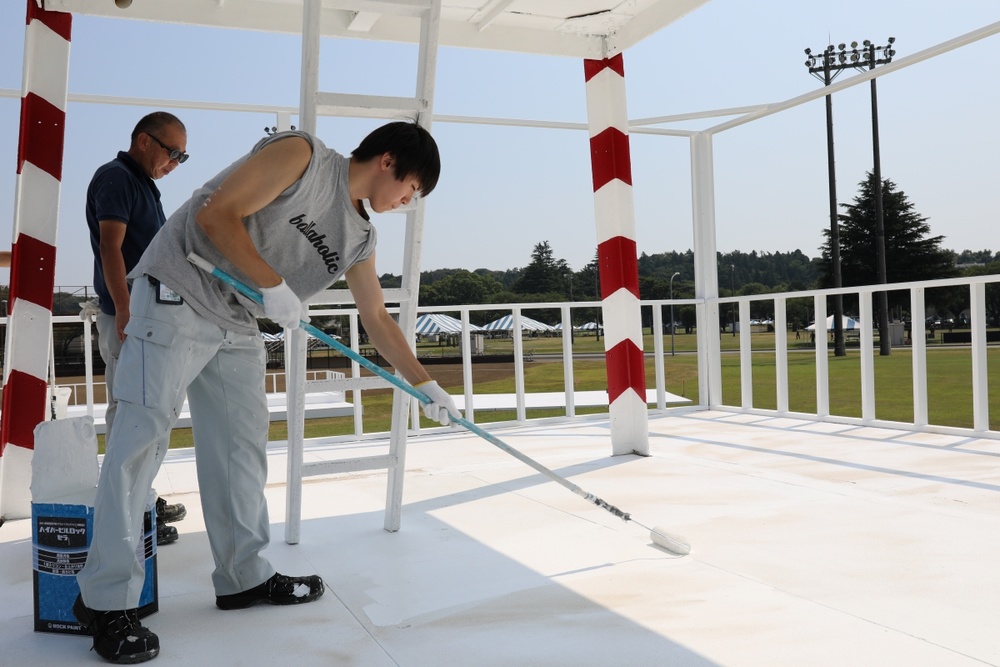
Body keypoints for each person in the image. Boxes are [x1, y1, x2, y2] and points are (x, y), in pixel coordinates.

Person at [74, 121, 459, 664]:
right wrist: (275, 285)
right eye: (412, 189)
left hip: (236, 321)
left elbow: (375, 315)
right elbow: (215, 212)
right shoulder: (302, 155)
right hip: (179, 291)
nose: (407, 202)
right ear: (390, 161)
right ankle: (104, 600)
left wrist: (425, 384)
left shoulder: (362, 238)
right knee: (141, 441)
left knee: (241, 449)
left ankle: (242, 577)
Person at [83, 111, 190, 547]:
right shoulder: (117, 177)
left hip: (146, 314)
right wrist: (125, 310)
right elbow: (111, 246)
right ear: (145, 141)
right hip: (129, 317)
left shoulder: (142, 184)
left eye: (184, 156)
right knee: (131, 416)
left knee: (146, 415)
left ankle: (141, 497)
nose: (176, 163)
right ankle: (128, 514)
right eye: (173, 152)